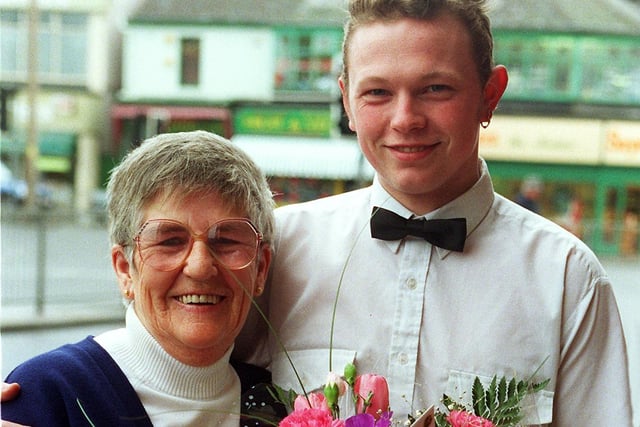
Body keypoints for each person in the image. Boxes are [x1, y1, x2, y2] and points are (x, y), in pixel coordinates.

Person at [234, 0, 632, 425]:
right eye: (377, 93)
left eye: (435, 89)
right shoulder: (277, 248)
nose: (405, 119)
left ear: (489, 95)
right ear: (347, 102)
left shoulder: (568, 279)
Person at [1, 131, 282, 426]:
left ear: (261, 268)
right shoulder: (49, 393)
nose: (199, 267)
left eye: (225, 240)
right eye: (170, 241)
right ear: (124, 269)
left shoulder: (278, 405)